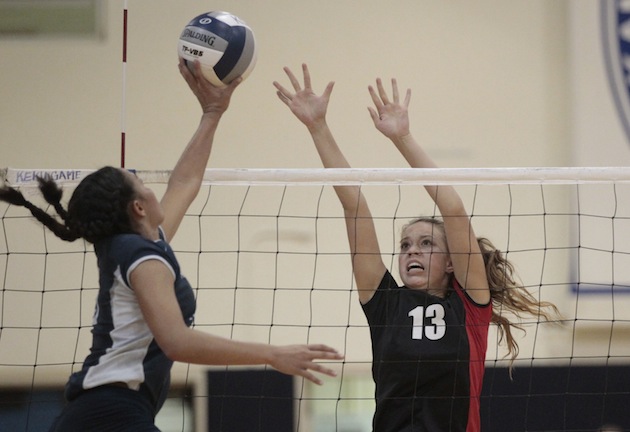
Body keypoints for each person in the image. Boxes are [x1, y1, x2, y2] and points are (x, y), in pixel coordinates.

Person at [0, 60, 343, 432]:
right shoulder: (138, 255)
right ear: (138, 207)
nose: (150, 183)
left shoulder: (141, 245)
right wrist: (272, 354)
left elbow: (185, 181)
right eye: (138, 180)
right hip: (108, 413)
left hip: (110, 412)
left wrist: (213, 111)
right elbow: (178, 342)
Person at [273, 64, 559, 432]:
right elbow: (354, 205)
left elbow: (452, 208)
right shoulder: (384, 303)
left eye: (426, 244)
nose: (411, 252)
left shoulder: (470, 307)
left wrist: (402, 138)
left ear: (452, 262)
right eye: (405, 245)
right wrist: (318, 127)